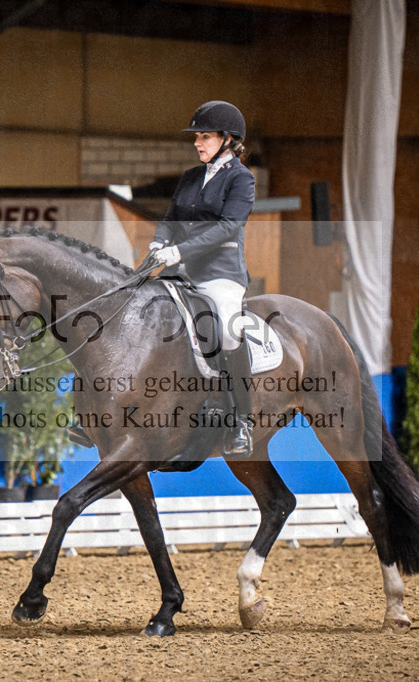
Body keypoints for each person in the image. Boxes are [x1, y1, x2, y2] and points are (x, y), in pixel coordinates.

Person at [149, 100, 256, 458]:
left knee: (228, 329)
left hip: (220, 273)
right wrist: (159, 241)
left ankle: (242, 419)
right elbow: (170, 218)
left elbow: (228, 227)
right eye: (197, 137)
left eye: (205, 136)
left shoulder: (241, 179)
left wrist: (179, 251)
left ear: (228, 139)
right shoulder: (191, 177)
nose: (197, 142)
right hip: (180, 271)